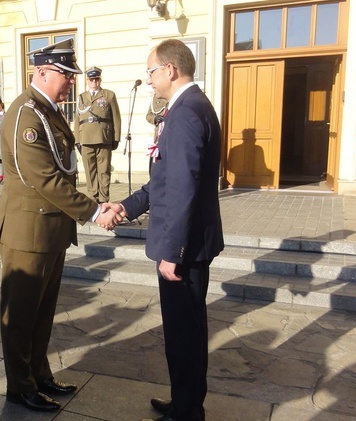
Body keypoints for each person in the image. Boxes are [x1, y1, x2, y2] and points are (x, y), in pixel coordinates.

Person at [0, 39, 122, 413]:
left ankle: (39, 374)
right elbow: (45, 179)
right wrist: (96, 212)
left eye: (71, 75)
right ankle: (20, 387)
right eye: (65, 75)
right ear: (42, 72)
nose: (70, 82)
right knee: (20, 316)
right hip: (27, 233)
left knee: (42, 313)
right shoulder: (26, 115)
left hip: (49, 231)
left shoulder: (47, 110)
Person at [114, 39, 224, 421]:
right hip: (187, 244)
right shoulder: (189, 108)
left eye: (151, 72)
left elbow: (183, 188)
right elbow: (164, 180)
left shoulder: (187, 113)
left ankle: (188, 410)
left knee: (184, 335)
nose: (148, 80)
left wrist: (171, 252)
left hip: (184, 249)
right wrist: (126, 207)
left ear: (170, 69)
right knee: (184, 331)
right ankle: (184, 401)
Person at [73, 66, 121, 204]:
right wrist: (77, 139)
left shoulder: (108, 95)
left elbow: (116, 118)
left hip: (103, 137)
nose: (94, 82)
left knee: (104, 170)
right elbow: (77, 120)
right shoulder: (81, 98)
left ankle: (104, 198)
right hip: (86, 138)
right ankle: (93, 198)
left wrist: (116, 137)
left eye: (96, 79)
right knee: (89, 170)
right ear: (87, 81)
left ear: (100, 80)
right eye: (91, 79)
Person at [145, 96, 168, 175]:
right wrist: (155, 118)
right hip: (158, 137)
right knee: (154, 165)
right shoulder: (156, 98)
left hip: (172, 134)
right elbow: (148, 116)